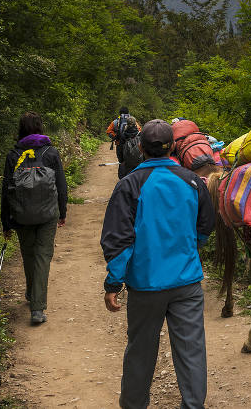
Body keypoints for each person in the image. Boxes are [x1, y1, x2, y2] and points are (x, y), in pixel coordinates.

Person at [101, 119, 215, 409]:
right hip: (187, 282)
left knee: (140, 350)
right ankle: (193, 405)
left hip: (145, 285)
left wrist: (114, 282)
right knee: (191, 350)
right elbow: (205, 226)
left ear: (140, 148)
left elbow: (118, 240)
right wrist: (188, 248)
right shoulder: (191, 182)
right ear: (174, 147)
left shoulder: (129, 185)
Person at [1, 111, 68, 325]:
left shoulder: (13, 155)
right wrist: (62, 211)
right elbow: (61, 184)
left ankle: (32, 294)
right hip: (48, 214)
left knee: (29, 255)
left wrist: (6, 221)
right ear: (40, 128)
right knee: (42, 257)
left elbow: (6, 190)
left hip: (21, 215)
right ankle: (37, 309)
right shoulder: (50, 152)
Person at [107, 106, 142, 179]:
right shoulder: (133, 121)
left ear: (120, 113)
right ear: (128, 113)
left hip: (120, 144)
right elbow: (139, 130)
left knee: (121, 161)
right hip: (133, 145)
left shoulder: (116, 122)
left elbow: (108, 131)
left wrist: (116, 136)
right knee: (132, 160)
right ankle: (132, 177)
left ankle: (122, 178)